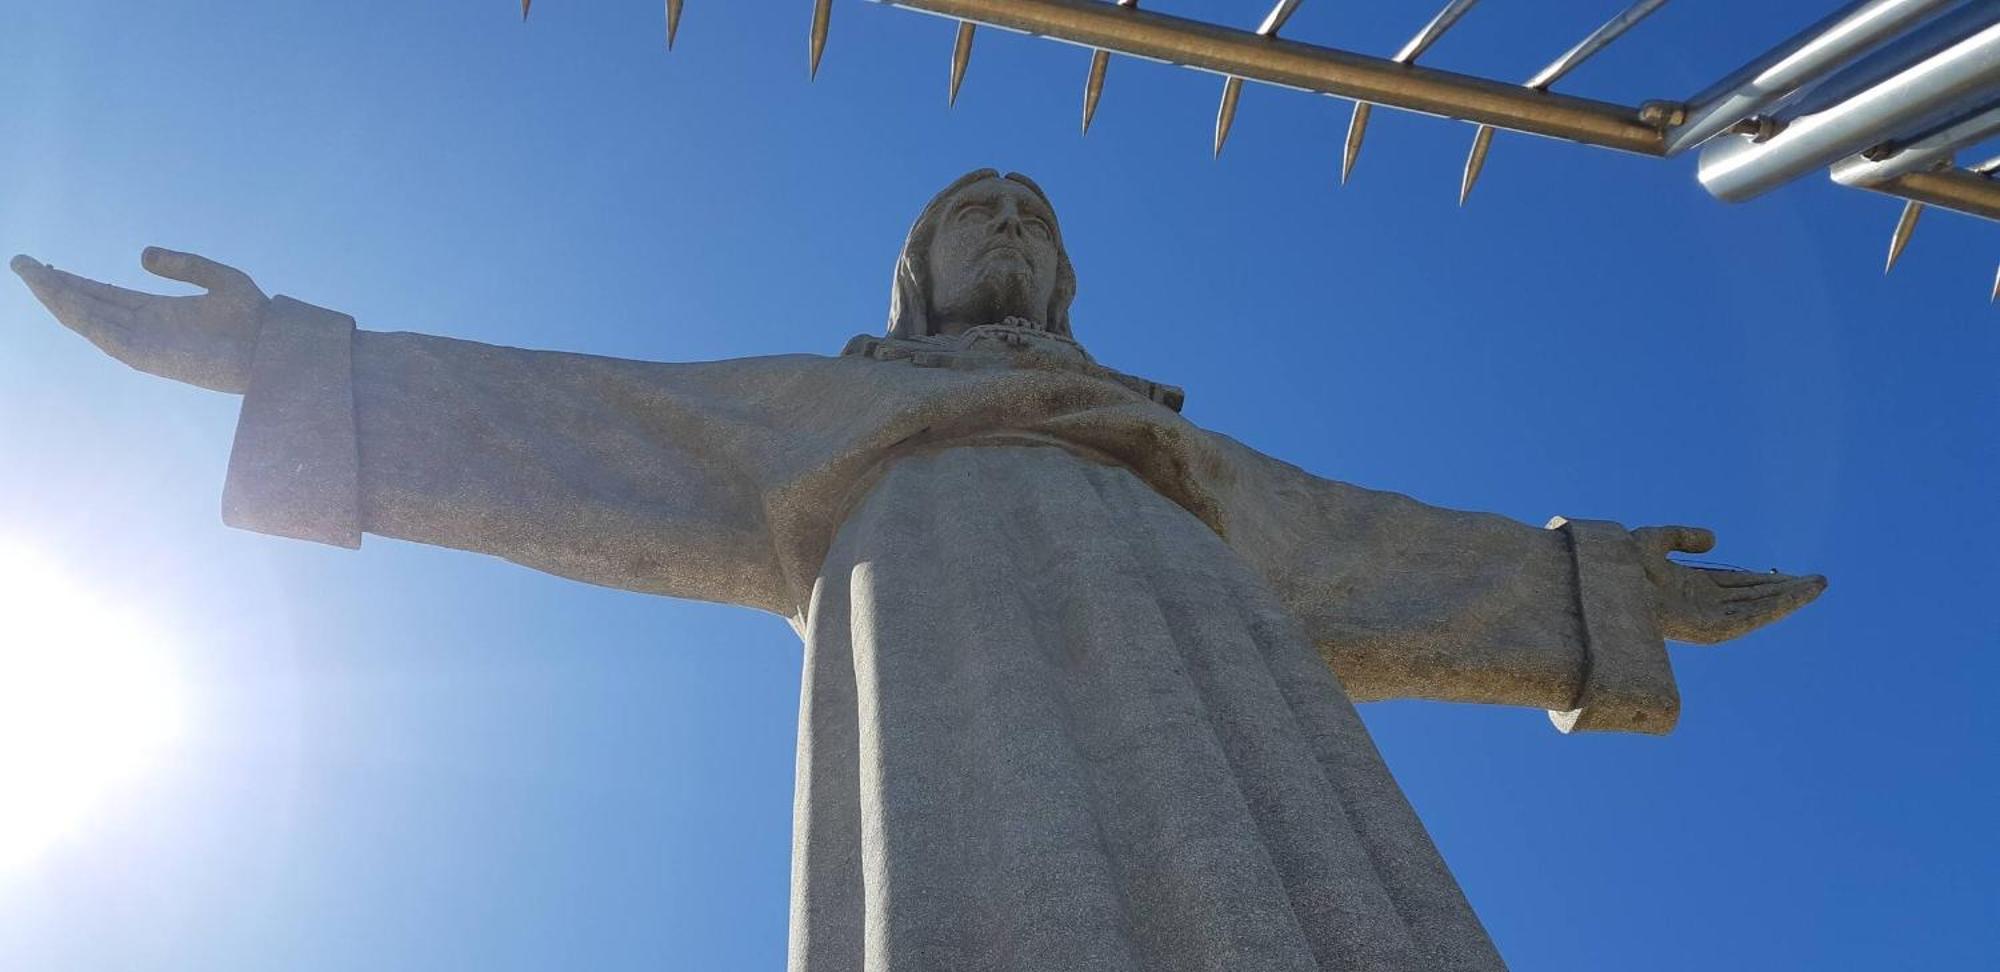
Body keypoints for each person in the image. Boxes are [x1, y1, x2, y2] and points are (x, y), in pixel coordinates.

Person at [12, 168, 1823, 972]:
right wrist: (293, 358)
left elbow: (1377, 551)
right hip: (932, 619)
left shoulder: (1170, 453)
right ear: (913, 275)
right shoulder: (819, 411)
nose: (1014, 233)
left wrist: (1592, 590)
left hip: (1208, 644)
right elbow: (574, 421)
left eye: (1036, 220)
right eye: (979, 212)